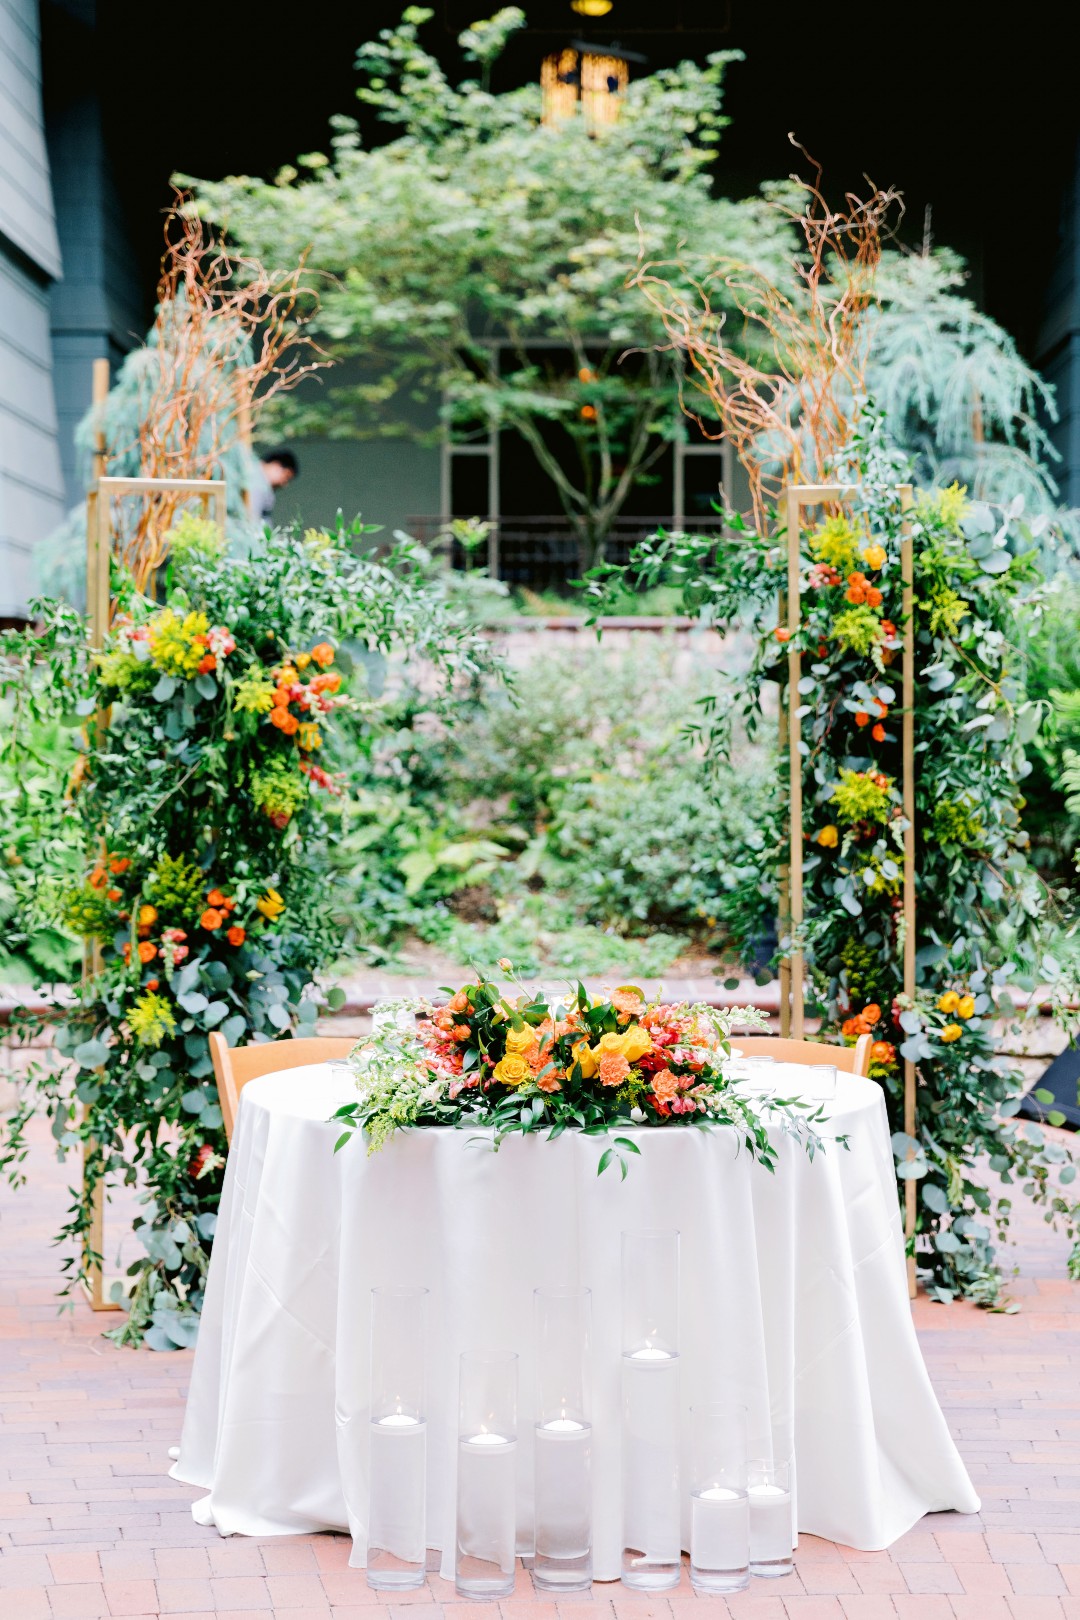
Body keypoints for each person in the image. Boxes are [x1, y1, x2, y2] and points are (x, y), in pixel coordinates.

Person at [250, 448, 298, 522]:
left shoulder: (260, 482)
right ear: (276, 464)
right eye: (286, 477)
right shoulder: (255, 480)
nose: (284, 484)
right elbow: (250, 517)